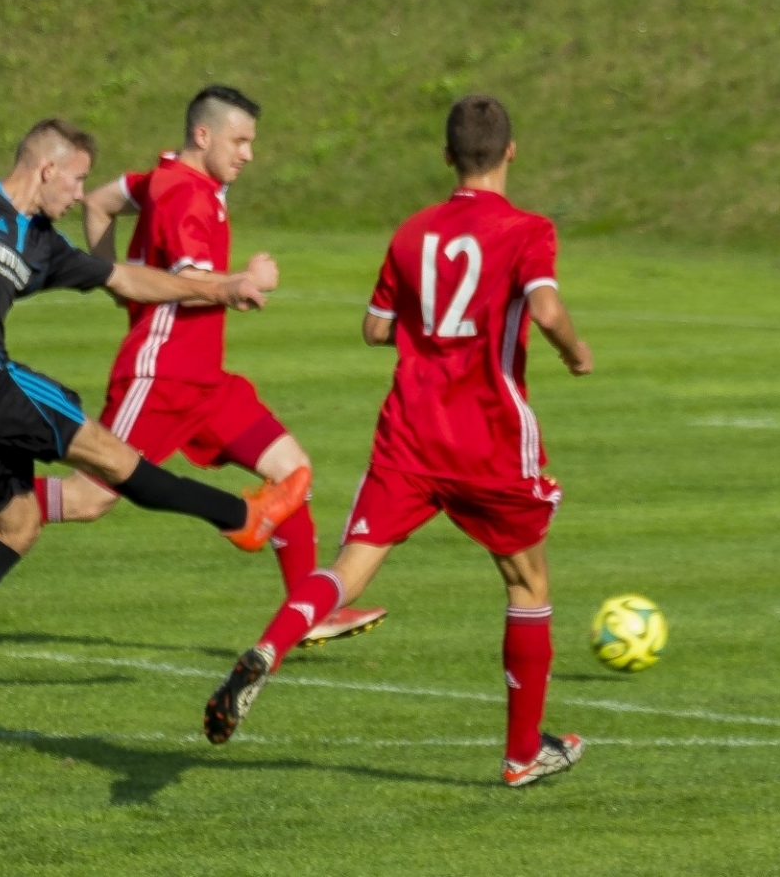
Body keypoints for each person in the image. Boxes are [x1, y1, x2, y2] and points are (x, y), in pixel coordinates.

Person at [0, 86, 385, 648]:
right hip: (162, 376)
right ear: (204, 135)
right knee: (92, 496)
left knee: (293, 472)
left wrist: (113, 281)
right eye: (240, 141)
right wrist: (240, 282)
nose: (249, 154)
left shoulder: (160, 177)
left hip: (207, 381)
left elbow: (100, 200)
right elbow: (194, 290)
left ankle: (306, 611)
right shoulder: (186, 198)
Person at [200, 95, 595, 788]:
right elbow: (547, 307)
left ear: (447, 156)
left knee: (350, 567)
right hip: (487, 435)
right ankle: (522, 753)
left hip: (410, 433)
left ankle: (270, 646)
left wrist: (426, 317)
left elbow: (375, 329)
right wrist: (574, 349)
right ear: (510, 151)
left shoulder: (413, 231)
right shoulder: (528, 228)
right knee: (527, 581)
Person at [0, 118, 306, 708]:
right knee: (113, 458)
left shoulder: (42, 244)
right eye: (75, 180)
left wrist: (226, 287)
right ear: (46, 170)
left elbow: (130, 280)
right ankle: (239, 518)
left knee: (17, 525)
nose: (77, 195)